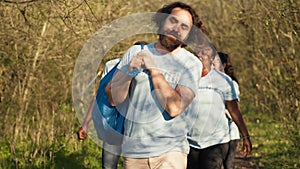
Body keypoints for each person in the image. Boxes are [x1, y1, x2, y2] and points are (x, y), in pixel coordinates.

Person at [106, 2, 205, 169]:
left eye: (184, 27)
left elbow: (174, 108)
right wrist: (128, 72)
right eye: (172, 21)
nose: (176, 29)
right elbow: (113, 99)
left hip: (172, 152)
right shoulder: (135, 51)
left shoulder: (191, 64)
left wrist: (153, 69)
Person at [77, 41, 149, 169]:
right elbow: (100, 97)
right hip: (114, 124)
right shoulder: (111, 65)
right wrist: (85, 124)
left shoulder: (150, 70)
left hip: (136, 129)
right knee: (109, 166)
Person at [187, 43, 252, 169]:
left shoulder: (223, 81)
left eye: (204, 54)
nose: (200, 56)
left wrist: (245, 135)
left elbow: (234, 110)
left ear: (211, 59)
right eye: (197, 53)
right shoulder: (184, 79)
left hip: (215, 142)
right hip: (189, 141)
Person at [218, 52, 241, 169]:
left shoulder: (231, 84)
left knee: (229, 166)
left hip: (230, 133)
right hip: (215, 135)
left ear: (224, 65)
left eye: (216, 63)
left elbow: (234, 110)